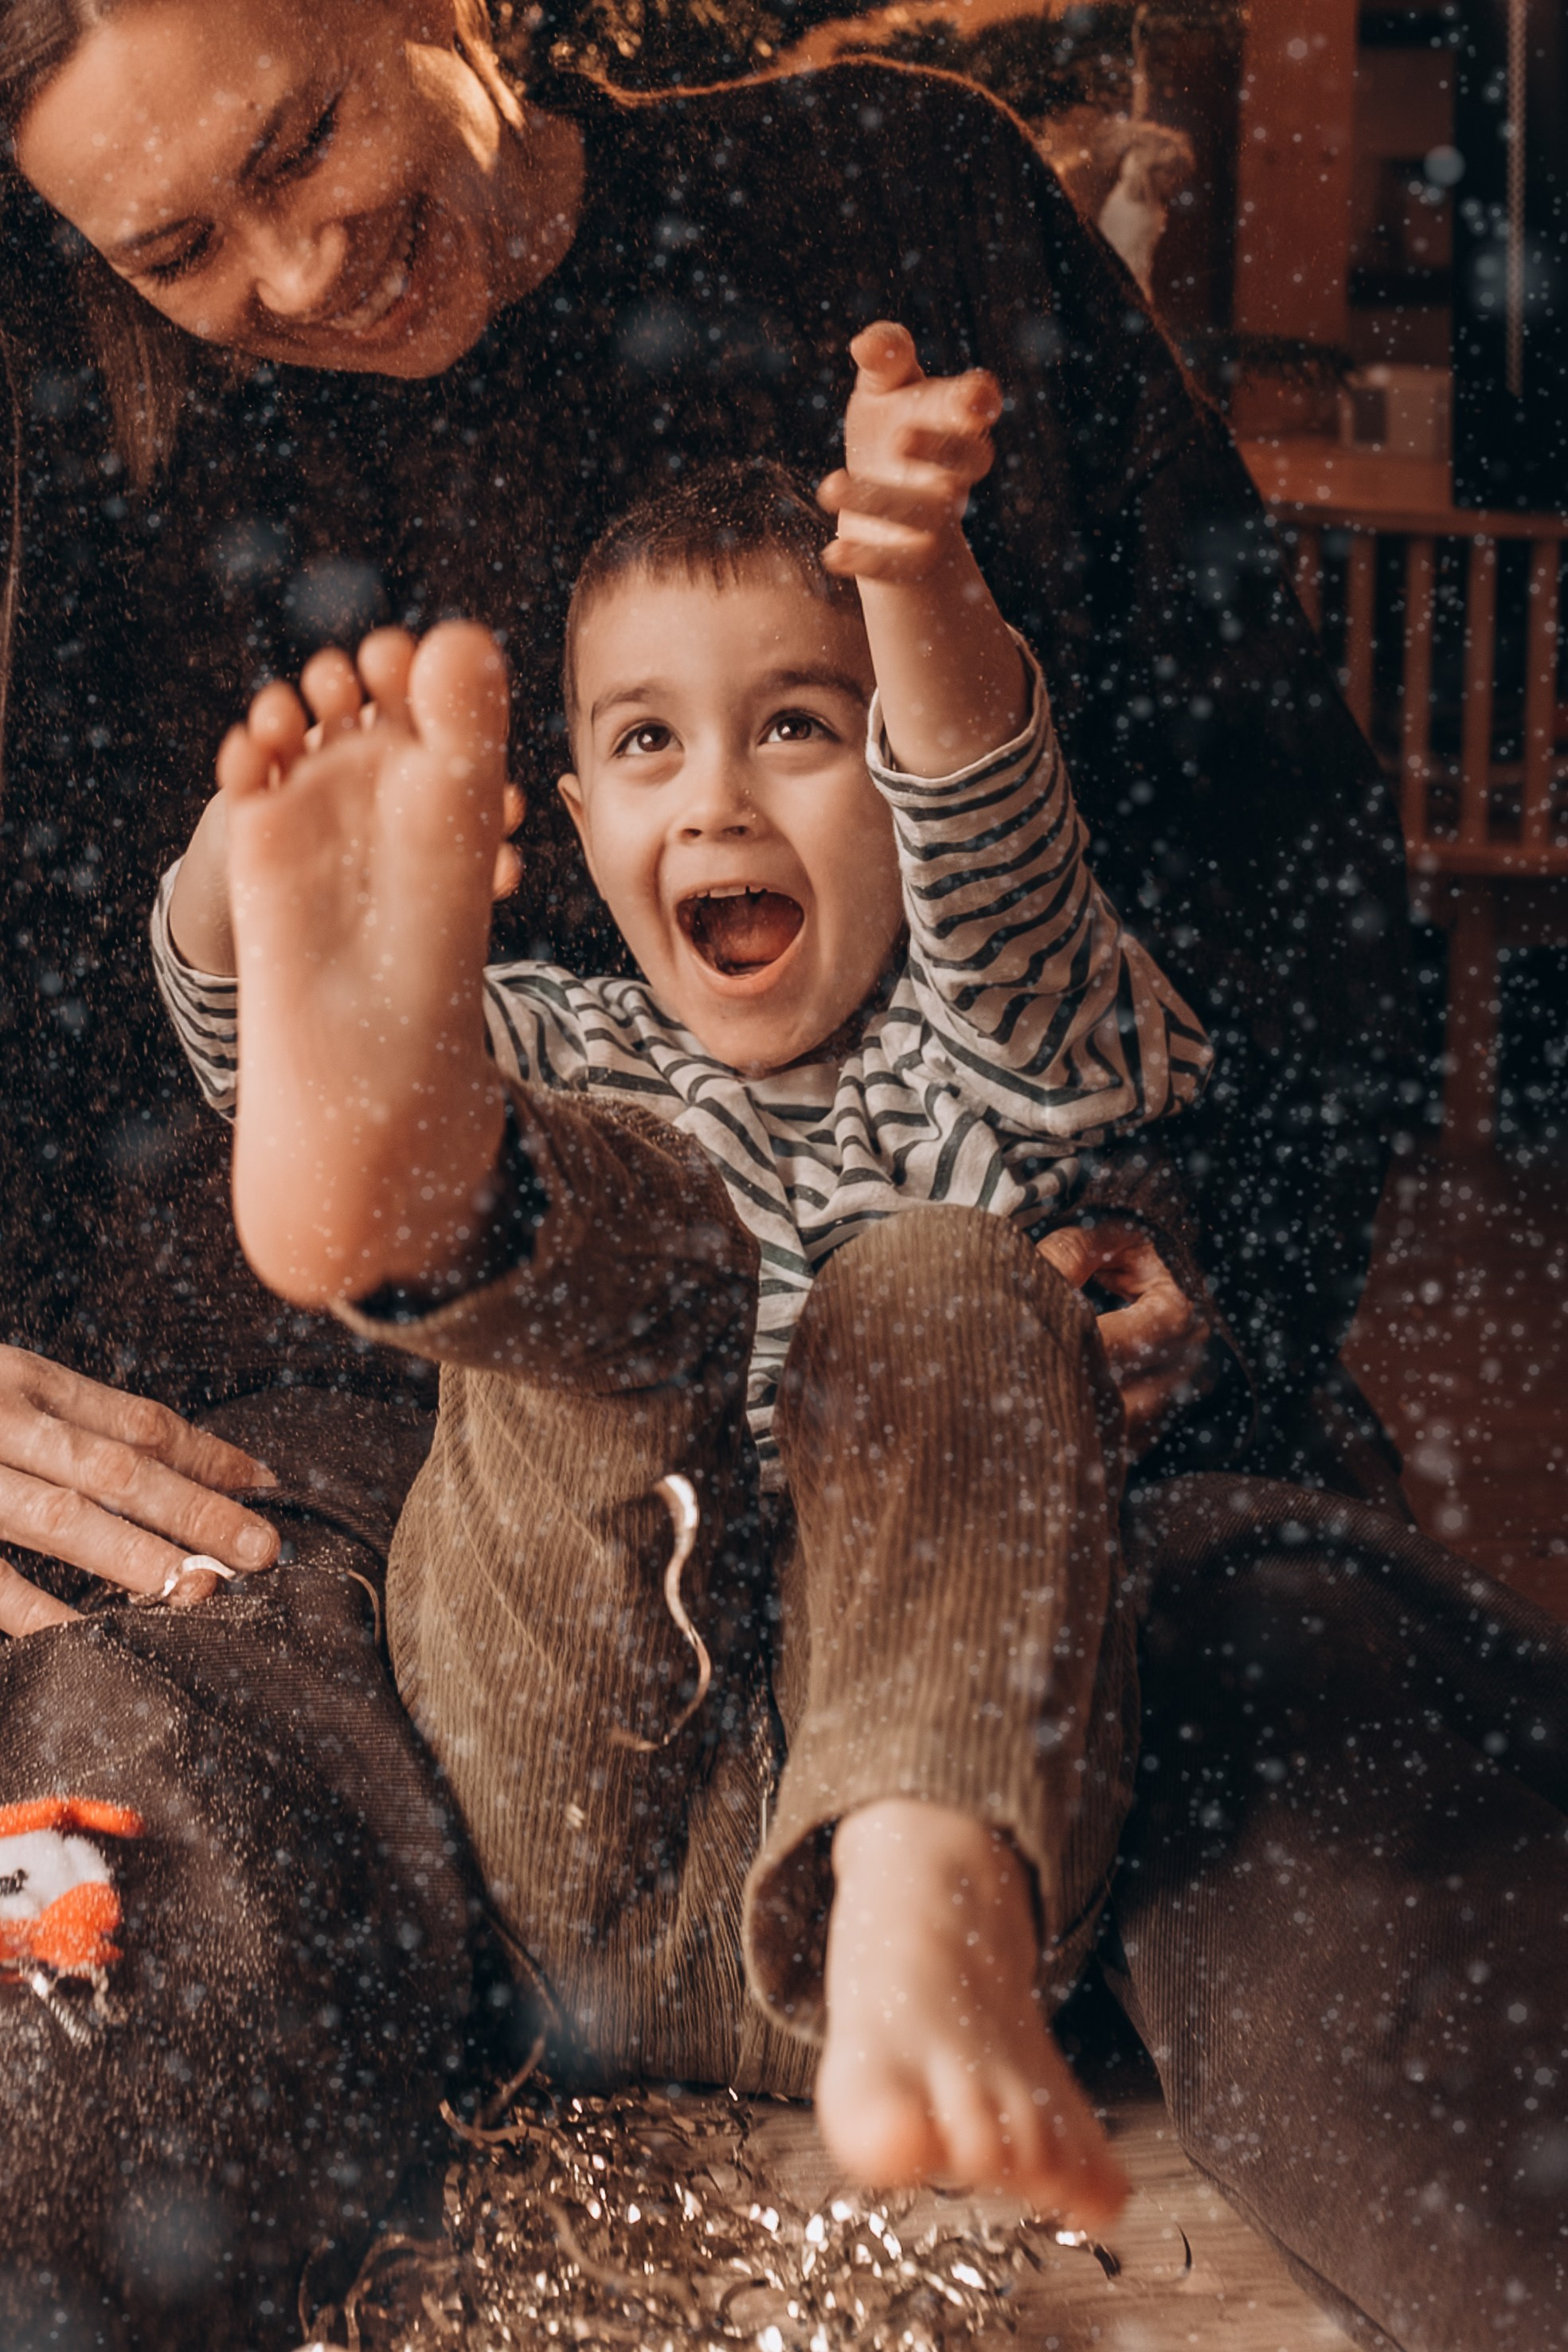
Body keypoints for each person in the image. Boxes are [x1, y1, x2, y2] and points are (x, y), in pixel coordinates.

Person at [0, 2, 1409, 1644]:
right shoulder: (89, 444)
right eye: (173, 251)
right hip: (358, 1473)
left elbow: (1289, 866)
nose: (297, 277)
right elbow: (81, 1065)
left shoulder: (903, 194)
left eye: (302, 140)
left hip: (993, 1375)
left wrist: (1205, 1250)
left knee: (1313, 1818)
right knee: (205, 1830)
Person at [153, 326, 1218, 2221]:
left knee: (952, 1277)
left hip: (914, 1807)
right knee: (574, 1223)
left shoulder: (1011, 1044)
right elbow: (260, 1075)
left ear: (893, 784)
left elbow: (996, 839)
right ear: (573, 822)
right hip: (561, 1787)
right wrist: (248, 886)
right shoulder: (555, 1049)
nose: (715, 798)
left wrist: (917, 578)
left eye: (796, 727)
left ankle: (923, 1895)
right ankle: (422, 1195)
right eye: (646, 742)